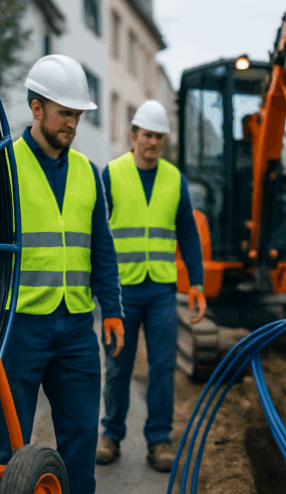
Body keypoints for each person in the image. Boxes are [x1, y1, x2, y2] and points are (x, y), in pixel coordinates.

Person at [0, 54, 125, 494]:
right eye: (65, 114)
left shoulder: (88, 172)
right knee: (4, 446)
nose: (73, 124)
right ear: (37, 109)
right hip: (16, 324)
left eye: (78, 115)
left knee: (80, 441)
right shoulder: (2, 165)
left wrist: (112, 310)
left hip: (76, 327)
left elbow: (102, 248)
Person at [96, 100, 206, 472]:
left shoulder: (174, 179)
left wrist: (197, 283)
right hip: (122, 290)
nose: (153, 142)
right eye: (147, 135)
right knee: (117, 364)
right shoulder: (112, 175)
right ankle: (111, 434)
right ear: (134, 136)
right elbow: (97, 232)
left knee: (162, 366)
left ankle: (159, 441)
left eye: (159, 136)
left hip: (161, 289)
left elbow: (188, 233)